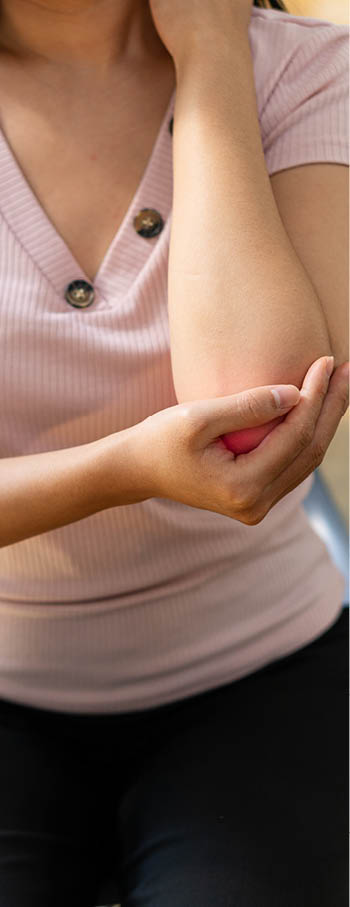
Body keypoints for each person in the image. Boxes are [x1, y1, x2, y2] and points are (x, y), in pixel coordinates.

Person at [0, 1, 348, 904]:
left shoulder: (303, 68)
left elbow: (256, 413)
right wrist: (125, 469)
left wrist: (212, 52)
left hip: (261, 672)